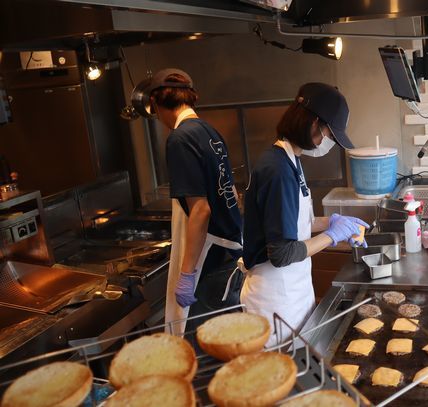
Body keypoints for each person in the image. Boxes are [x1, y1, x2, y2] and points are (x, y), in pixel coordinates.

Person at [241, 82, 368, 346]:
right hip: (275, 300)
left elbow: (296, 224)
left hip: (293, 292)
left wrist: (331, 222)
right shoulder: (277, 171)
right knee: (285, 378)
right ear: (311, 122)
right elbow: (282, 253)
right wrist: (333, 236)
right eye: (328, 134)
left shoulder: (290, 161)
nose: (327, 142)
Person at [143, 69, 244, 334]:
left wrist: (187, 275)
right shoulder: (209, 131)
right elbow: (231, 192)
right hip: (230, 256)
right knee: (226, 344)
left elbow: (201, 209)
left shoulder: (179, 139)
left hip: (210, 263)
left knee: (203, 355)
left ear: (155, 103)